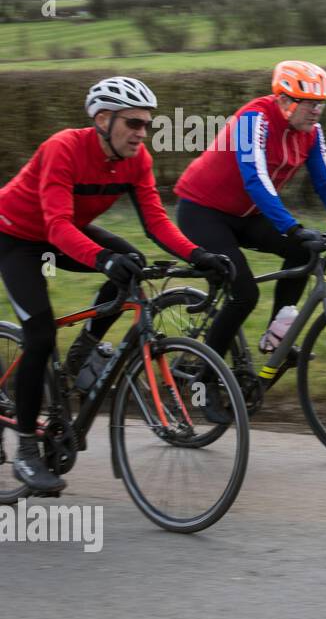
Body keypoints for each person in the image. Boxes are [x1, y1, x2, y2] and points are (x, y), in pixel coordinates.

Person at [0, 76, 230, 494]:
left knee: (134, 264)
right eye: (133, 123)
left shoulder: (136, 160)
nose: (142, 133)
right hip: (16, 237)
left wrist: (198, 255)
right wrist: (103, 258)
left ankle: (84, 350)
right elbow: (55, 225)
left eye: (146, 124)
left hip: (66, 232)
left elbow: (157, 222)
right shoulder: (64, 148)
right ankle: (28, 452)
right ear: (103, 119)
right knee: (39, 335)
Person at [173, 60, 326, 366]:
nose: (316, 112)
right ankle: (206, 375)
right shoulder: (254, 119)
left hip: (246, 214)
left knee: (304, 252)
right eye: (309, 104)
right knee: (245, 294)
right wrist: (291, 227)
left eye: (321, 105)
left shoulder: (312, 132)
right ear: (284, 101)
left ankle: (277, 337)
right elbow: (255, 178)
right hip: (203, 211)